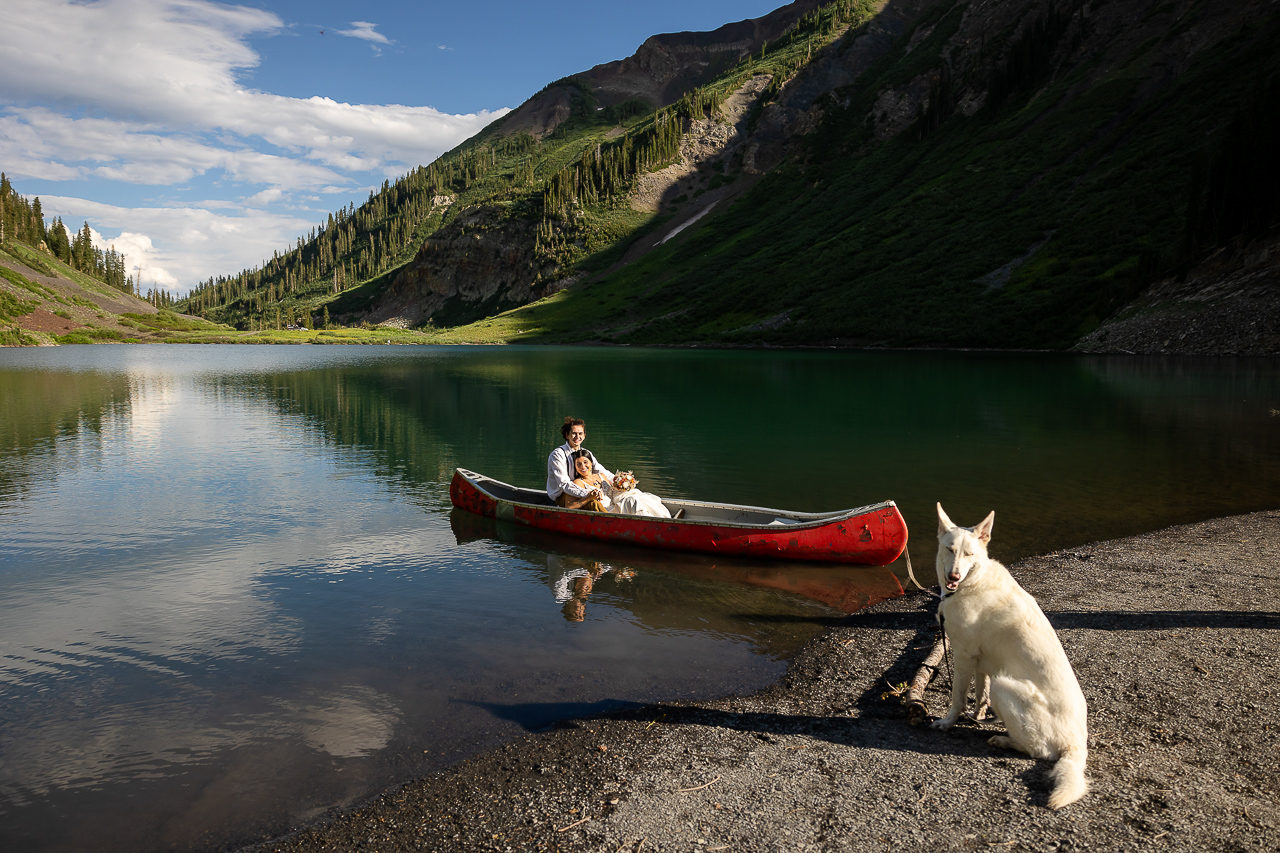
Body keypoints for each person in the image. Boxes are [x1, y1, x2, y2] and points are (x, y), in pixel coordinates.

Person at [571, 453, 671, 519]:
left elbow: (613, 491)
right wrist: (590, 497)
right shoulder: (578, 482)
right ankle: (652, 524)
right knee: (632, 501)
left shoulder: (601, 476)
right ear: (575, 467)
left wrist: (623, 484)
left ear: (591, 463)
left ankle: (660, 519)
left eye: (585, 462)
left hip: (615, 503)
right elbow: (572, 505)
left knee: (640, 496)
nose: (583, 467)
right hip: (606, 511)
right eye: (578, 464)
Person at [546, 417, 612, 511]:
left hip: (584, 489)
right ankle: (611, 521)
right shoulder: (558, 455)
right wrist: (588, 493)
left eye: (580, 433)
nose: (577, 437)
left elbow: (602, 471)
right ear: (567, 435)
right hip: (564, 496)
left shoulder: (585, 453)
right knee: (594, 503)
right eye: (574, 433)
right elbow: (564, 484)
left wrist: (619, 480)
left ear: (584, 435)